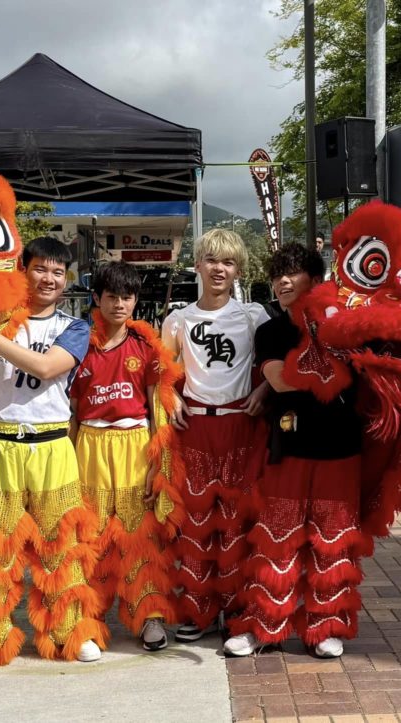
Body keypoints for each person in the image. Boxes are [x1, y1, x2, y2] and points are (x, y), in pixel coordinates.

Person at [0, 236, 106, 669]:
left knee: (60, 547)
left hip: (52, 447)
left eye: (58, 272)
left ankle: (71, 631)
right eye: (41, 269)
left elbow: (46, 368)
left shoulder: (73, 327)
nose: (49, 278)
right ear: (23, 271)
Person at [223, 243, 367, 659]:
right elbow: (281, 379)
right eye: (277, 274)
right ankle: (264, 626)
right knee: (277, 540)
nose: (282, 281)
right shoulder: (271, 330)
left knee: (332, 542)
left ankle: (325, 628)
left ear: (315, 280)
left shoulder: (346, 324)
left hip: (340, 448)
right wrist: (330, 369)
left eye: (293, 272)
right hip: (289, 446)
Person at [161, 228, 270, 642]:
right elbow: (161, 370)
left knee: (237, 518)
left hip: (241, 424)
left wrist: (264, 387)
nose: (219, 269)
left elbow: (278, 358)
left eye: (227, 262)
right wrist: (170, 396)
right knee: (195, 521)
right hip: (196, 429)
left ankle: (238, 607)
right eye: (211, 260)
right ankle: (197, 610)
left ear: (238, 269)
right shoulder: (179, 319)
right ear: (198, 265)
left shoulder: (253, 316)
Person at [70, 261, 182, 652]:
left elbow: (159, 412)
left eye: (128, 297)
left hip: (135, 444)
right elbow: (67, 409)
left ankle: (149, 617)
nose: (120, 304)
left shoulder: (146, 347)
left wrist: (159, 468)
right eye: (112, 296)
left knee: (141, 538)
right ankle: (88, 619)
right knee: (91, 536)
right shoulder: (74, 344)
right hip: (89, 446)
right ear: (96, 298)